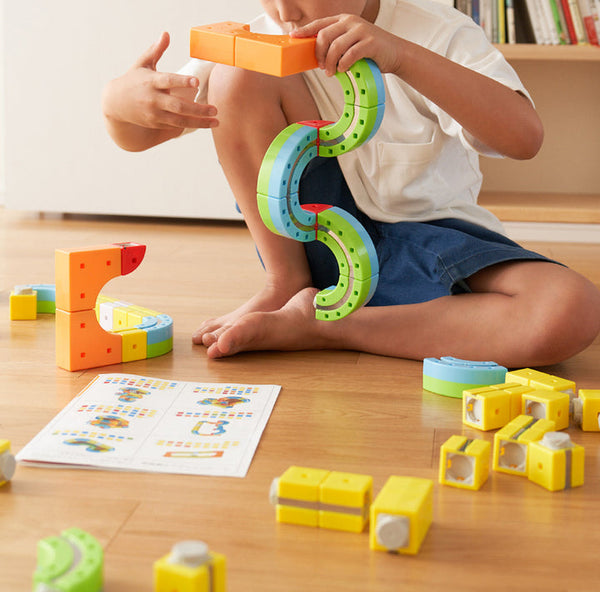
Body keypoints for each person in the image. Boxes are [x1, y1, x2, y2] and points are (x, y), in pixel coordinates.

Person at [102, 0, 600, 367]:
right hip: (317, 241)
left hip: (431, 242)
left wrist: (402, 57)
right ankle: (286, 284)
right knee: (238, 75)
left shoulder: (438, 30)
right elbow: (140, 136)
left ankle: (326, 326)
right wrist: (120, 104)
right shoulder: (265, 35)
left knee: (571, 308)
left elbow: (523, 136)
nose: (284, 10)